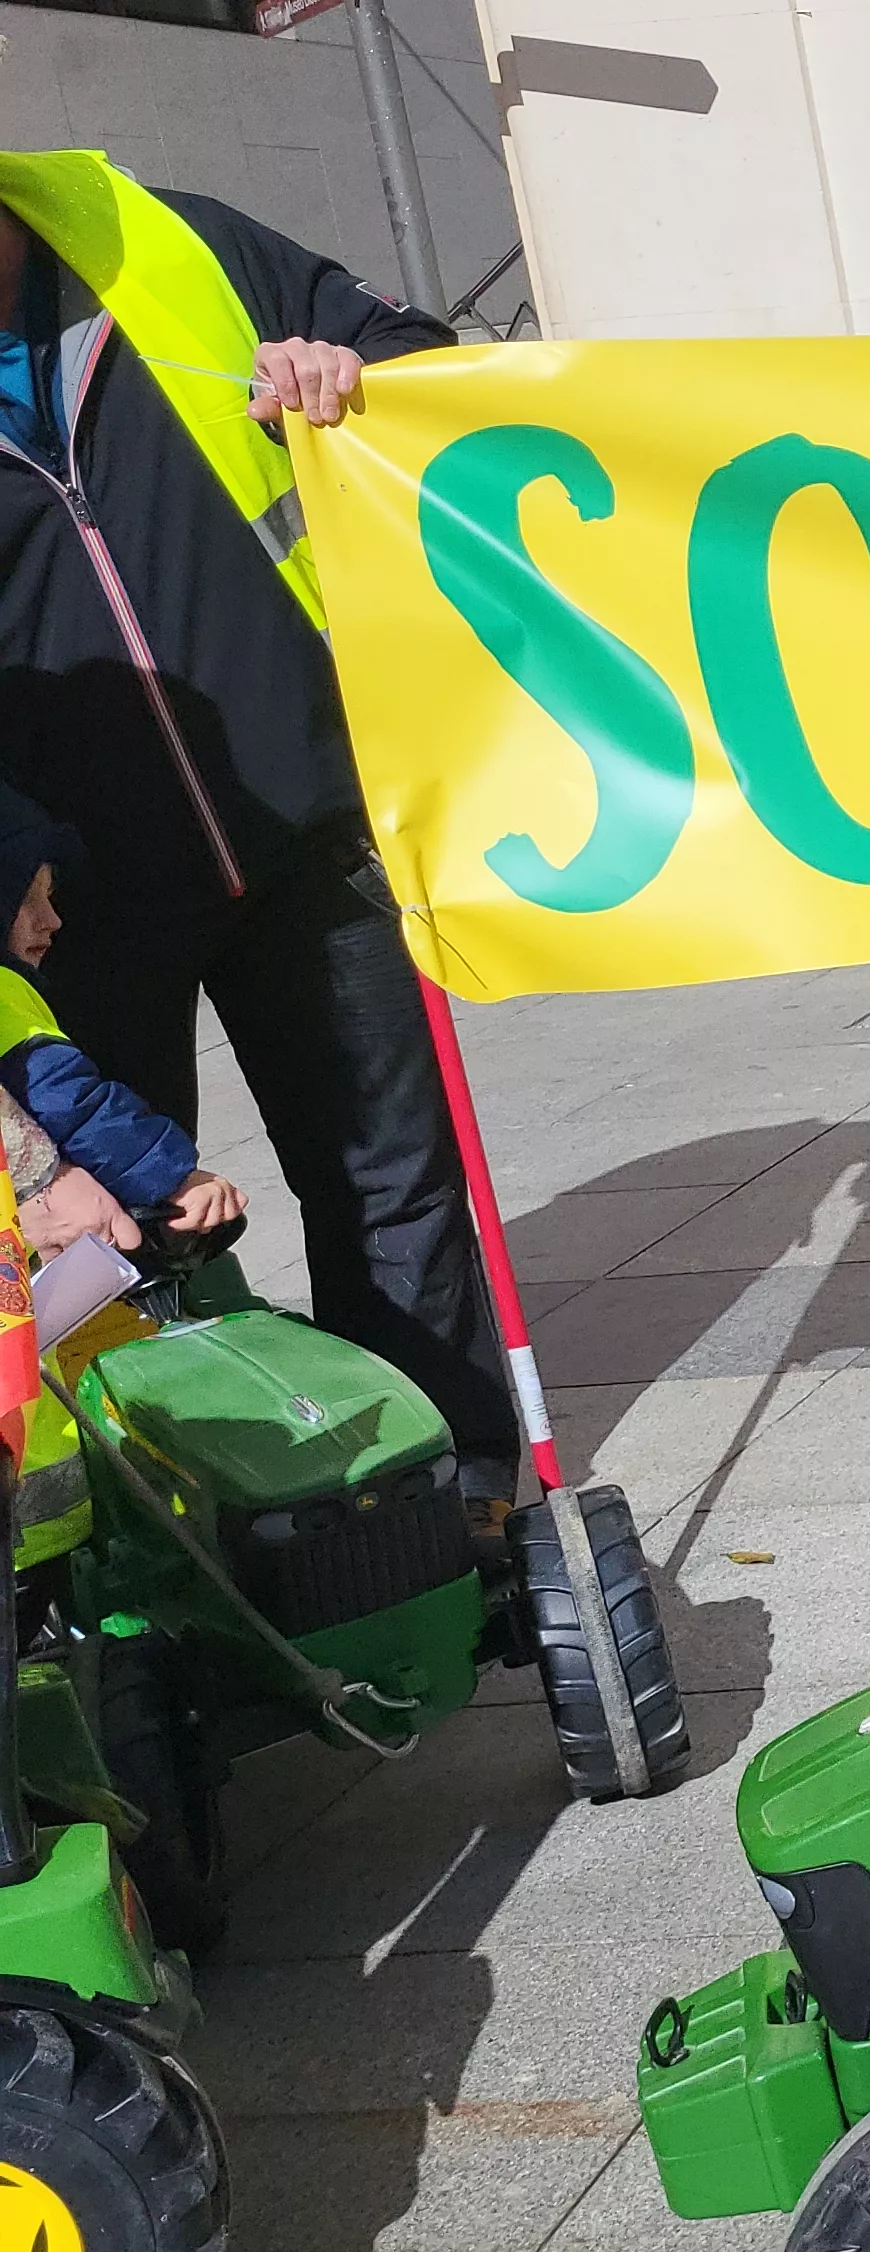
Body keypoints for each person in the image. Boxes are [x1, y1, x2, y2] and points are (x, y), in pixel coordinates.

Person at [0, 155, 517, 1525]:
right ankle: (190, 1556)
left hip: (313, 830)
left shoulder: (166, 237)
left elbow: (429, 371)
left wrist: (350, 372)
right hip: (72, 905)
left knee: (393, 1188)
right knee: (117, 1232)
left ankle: (448, 1505)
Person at [0, 790, 241, 1248]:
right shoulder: (4, 992)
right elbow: (72, 1101)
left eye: (50, 898)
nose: (52, 920)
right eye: (26, 901)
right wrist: (174, 1180)